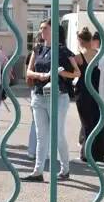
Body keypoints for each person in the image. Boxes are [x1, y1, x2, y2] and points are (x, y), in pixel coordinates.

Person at [25, 20, 79, 182]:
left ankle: (65, 169)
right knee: (41, 136)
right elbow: (28, 70)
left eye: (45, 28)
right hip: (39, 95)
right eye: (40, 28)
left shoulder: (63, 51)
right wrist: (39, 76)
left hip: (58, 96)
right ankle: (38, 172)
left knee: (57, 134)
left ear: (54, 31)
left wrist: (62, 74)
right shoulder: (38, 49)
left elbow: (77, 73)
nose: (42, 31)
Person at [73, 27, 104, 163]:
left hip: (83, 93)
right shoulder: (101, 55)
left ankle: (86, 153)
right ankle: (98, 153)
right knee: (97, 122)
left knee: (86, 124)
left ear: (80, 41)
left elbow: (74, 74)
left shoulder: (78, 57)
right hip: (98, 93)